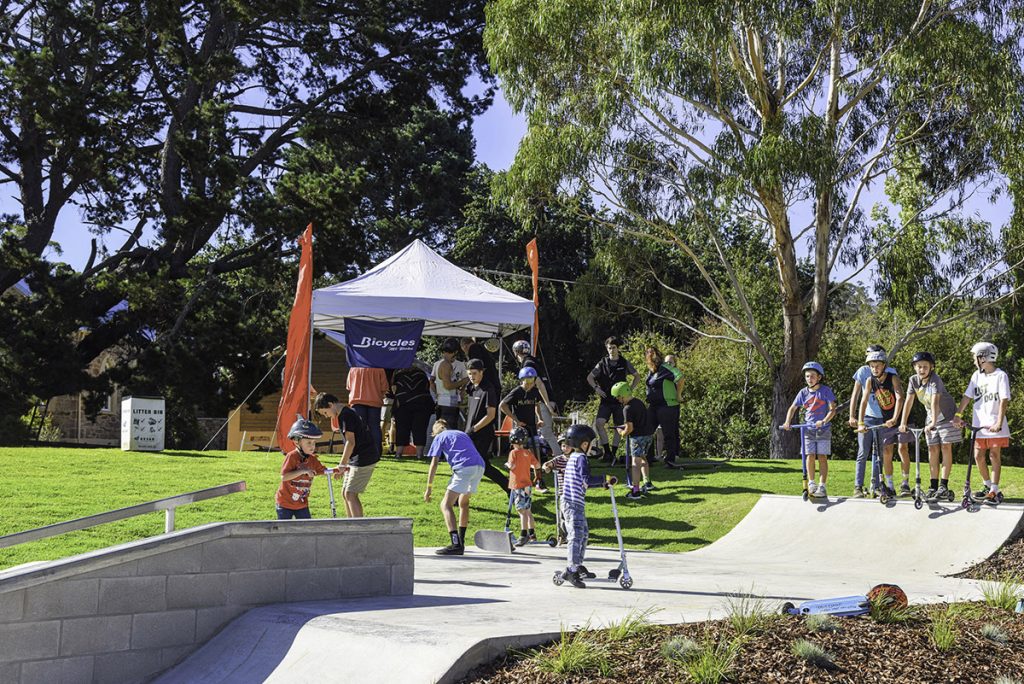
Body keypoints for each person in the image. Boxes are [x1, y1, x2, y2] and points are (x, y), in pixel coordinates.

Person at [898, 351, 962, 502]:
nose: (922, 369)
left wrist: (933, 422)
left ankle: (943, 485)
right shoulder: (913, 381)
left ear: (931, 367)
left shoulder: (935, 380)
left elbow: (934, 401)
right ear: (914, 367)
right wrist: (903, 422)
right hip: (931, 418)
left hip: (947, 416)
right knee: (932, 449)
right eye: (919, 366)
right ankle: (933, 485)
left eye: (925, 367)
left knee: (945, 447)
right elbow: (908, 402)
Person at [557, 424, 615, 589]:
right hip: (572, 503)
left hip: (573, 502)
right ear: (584, 444)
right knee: (576, 535)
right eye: (591, 443)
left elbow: (582, 482)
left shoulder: (574, 457)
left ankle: (578, 565)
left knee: (583, 534)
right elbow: (586, 480)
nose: (592, 447)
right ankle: (571, 569)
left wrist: (603, 484)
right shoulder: (581, 458)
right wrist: (605, 477)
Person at [848, 345, 910, 496]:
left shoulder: (890, 374)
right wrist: (855, 418)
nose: (874, 367)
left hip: (883, 418)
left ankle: (876, 485)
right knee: (863, 451)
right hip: (868, 417)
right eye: (871, 363)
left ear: (883, 363)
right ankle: (858, 486)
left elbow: (899, 395)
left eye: (877, 363)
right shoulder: (865, 374)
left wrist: (895, 418)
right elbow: (857, 397)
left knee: (879, 453)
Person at [954, 342, 1011, 503]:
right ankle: (987, 485)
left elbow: (1004, 400)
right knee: (978, 456)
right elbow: (967, 397)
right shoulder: (976, 376)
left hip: (994, 425)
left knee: (994, 455)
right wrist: (958, 414)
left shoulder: (1001, 376)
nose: (973, 360)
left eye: (975, 357)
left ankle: (994, 489)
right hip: (979, 426)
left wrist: (999, 422)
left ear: (983, 357)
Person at [423, 419, 486, 555]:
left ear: (435, 432)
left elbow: (434, 464)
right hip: (480, 466)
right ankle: (461, 541)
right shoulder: (461, 433)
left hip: (464, 467)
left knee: (445, 505)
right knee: (464, 503)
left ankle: (456, 544)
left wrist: (429, 487)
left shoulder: (439, 437)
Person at [314, 393, 379, 517]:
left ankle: (357, 527)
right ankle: (350, 523)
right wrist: (345, 463)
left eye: (325, 413)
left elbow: (350, 442)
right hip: (357, 456)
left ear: (330, 405)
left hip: (364, 457)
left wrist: (342, 464)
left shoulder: (346, 415)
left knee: (350, 493)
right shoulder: (346, 412)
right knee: (345, 493)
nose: (327, 416)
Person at [782, 362, 837, 498]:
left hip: (823, 429)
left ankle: (822, 486)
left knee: (822, 457)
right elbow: (793, 408)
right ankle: (811, 483)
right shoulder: (803, 393)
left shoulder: (825, 391)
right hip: (807, 429)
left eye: (812, 376)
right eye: (807, 376)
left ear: (819, 377)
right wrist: (787, 422)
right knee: (809, 456)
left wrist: (823, 420)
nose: (809, 379)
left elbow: (832, 410)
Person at [587, 336, 641, 463]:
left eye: (614, 347)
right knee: (599, 423)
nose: (611, 350)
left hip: (620, 401)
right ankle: (607, 452)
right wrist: (596, 388)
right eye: (609, 348)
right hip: (605, 400)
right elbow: (589, 377)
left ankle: (614, 453)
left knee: (619, 427)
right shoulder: (602, 363)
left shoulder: (624, 362)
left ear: (618, 348)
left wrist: (630, 389)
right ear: (607, 349)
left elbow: (637, 376)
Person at [275, 418, 339, 519]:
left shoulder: (312, 459)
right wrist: (303, 471)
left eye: (314, 443)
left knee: (306, 528)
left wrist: (338, 469)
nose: (312, 446)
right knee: (284, 529)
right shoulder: (292, 456)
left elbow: (322, 470)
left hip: (302, 503)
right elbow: (284, 477)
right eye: (308, 443)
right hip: (285, 503)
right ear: (297, 442)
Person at [465, 357, 509, 493]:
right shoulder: (471, 388)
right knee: (480, 466)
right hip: (471, 433)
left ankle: (457, 496)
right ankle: (509, 488)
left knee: (474, 465)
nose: (472, 376)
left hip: (482, 434)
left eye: (474, 373)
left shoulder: (488, 389)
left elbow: (490, 415)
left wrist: (474, 429)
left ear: (481, 372)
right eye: (469, 373)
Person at [610, 381, 655, 500]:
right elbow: (638, 421)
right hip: (648, 435)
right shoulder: (639, 402)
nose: (619, 401)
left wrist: (622, 433)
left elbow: (630, 427)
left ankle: (635, 491)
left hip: (638, 437)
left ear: (622, 395)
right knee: (643, 458)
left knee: (635, 463)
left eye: (618, 398)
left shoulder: (627, 408)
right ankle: (647, 482)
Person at [512, 340, 559, 452]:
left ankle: (559, 459)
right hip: (542, 401)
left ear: (516, 352)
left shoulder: (527, 364)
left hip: (543, 401)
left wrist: (547, 404)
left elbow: (539, 384)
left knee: (546, 432)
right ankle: (536, 458)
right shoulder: (533, 361)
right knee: (536, 431)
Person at [643, 346, 685, 468]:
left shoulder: (665, 368)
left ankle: (670, 460)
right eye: (647, 352)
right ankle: (649, 458)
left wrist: (678, 394)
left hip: (667, 405)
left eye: (652, 352)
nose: (650, 354)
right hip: (654, 406)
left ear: (658, 354)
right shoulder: (651, 371)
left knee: (669, 433)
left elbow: (680, 377)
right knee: (647, 430)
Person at [391, 361, 434, 459]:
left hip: (403, 404)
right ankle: (419, 454)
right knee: (420, 429)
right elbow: (427, 388)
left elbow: (394, 390)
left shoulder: (398, 374)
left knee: (401, 429)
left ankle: (398, 453)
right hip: (421, 404)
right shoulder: (422, 374)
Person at [506, 427, 541, 546]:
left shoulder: (513, 453)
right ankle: (532, 534)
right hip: (527, 485)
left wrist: (507, 465)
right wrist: (532, 471)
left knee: (521, 510)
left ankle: (523, 534)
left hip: (518, 485)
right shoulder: (528, 453)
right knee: (528, 510)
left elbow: (512, 466)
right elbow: (537, 465)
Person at [345, 365, 389, 458]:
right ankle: (377, 452)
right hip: (375, 401)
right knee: (375, 428)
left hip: (357, 401)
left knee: (359, 428)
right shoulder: (379, 368)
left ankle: (360, 452)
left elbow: (349, 386)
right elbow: (384, 387)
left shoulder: (354, 368)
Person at [432, 338, 469, 429]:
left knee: (441, 429)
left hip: (447, 401)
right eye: (444, 351)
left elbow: (431, 380)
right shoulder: (444, 364)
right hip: (447, 402)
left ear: (455, 352)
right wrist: (462, 382)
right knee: (448, 430)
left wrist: (462, 390)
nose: (445, 354)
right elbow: (448, 385)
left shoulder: (459, 364)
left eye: (449, 352)